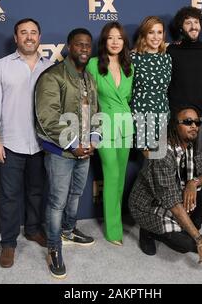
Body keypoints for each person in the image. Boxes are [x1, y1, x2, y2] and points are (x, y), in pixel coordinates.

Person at [0, 18, 53, 268]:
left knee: (37, 192)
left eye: (33, 32)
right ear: (15, 38)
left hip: (41, 144)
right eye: (23, 32)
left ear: (39, 37)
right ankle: (9, 243)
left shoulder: (51, 67)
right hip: (10, 143)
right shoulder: (0, 67)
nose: (29, 37)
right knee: (11, 196)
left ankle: (33, 229)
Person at [35, 28, 100, 279]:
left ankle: (68, 230)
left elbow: (95, 112)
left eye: (87, 45)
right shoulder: (53, 76)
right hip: (61, 152)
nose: (84, 49)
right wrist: (74, 144)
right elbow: (47, 118)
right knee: (57, 201)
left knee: (75, 194)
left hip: (84, 149)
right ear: (69, 47)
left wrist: (93, 139)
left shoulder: (89, 78)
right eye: (78, 45)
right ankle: (53, 247)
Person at [129, 106, 202, 264]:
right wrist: (200, 241)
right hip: (148, 206)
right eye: (188, 122)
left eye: (197, 123)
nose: (194, 126)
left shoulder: (191, 146)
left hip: (173, 197)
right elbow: (172, 202)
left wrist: (194, 182)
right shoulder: (162, 153)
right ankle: (148, 231)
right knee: (183, 247)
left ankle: (187, 231)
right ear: (175, 126)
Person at [86, 22, 134, 246]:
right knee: (112, 175)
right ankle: (113, 229)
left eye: (119, 38)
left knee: (120, 177)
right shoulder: (94, 65)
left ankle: (117, 220)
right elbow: (86, 101)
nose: (115, 42)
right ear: (104, 41)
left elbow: (130, 98)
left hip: (125, 126)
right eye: (110, 38)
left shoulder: (129, 66)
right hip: (103, 126)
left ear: (124, 42)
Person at [167, 6, 202, 149]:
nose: (193, 26)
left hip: (201, 114)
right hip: (176, 114)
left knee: (196, 159)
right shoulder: (171, 50)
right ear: (181, 27)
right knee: (173, 158)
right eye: (188, 23)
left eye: (196, 22)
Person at [131, 16, 171, 154]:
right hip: (141, 114)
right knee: (148, 159)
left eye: (159, 32)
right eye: (151, 32)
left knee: (159, 160)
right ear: (144, 34)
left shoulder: (166, 58)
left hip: (162, 113)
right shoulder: (134, 58)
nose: (156, 37)